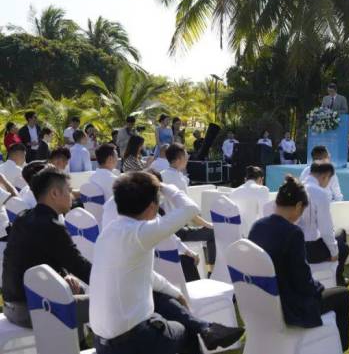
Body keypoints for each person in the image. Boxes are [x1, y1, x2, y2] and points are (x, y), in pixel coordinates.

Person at [89, 172, 244, 353]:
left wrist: (176, 293)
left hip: (103, 343)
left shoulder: (109, 232)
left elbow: (147, 275)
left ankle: (206, 329)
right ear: (152, 206)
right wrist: (163, 187)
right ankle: (204, 330)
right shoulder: (139, 233)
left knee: (161, 297)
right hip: (131, 342)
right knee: (186, 332)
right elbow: (190, 208)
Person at [248, 176, 349, 352]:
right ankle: (340, 348)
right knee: (343, 295)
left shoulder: (257, 227)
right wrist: (319, 287)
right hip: (290, 307)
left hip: (261, 303)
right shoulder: (293, 233)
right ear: (298, 206)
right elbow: (303, 282)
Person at [2, 168, 91, 331]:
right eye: (69, 190)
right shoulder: (52, 226)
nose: (72, 196)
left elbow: (41, 258)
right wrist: (112, 282)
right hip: (33, 309)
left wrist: (65, 275)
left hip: (10, 305)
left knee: (77, 289)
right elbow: (81, 267)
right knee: (104, 304)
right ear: (55, 193)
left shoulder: (23, 217)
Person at [160, 143, 216, 273]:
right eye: (186, 155)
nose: (188, 157)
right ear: (179, 158)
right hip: (177, 230)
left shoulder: (162, 174)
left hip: (166, 226)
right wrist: (208, 224)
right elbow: (188, 211)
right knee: (212, 233)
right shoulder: (179, 180)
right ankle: (211, 271)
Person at [299, 162, 349, 287]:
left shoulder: (297, 187)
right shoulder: (320, 193)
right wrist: (334, 252)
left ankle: (338, 278)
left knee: (341, 233)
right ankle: (338, 278)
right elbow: (326, 229)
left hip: (296, 245)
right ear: (325, 176)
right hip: (310, 249)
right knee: (344, 247)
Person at [229, 166, 270, 236]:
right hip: (255, 235)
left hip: (236, 235)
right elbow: (264, 215)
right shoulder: (262, 189)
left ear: (246, 179)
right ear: (260, 179)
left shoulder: (233, 192)